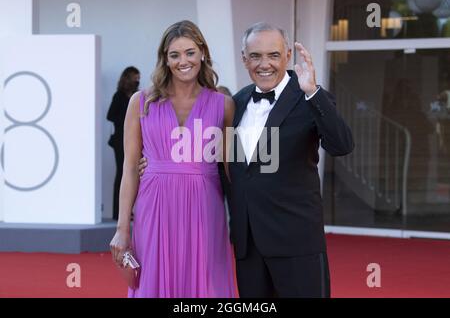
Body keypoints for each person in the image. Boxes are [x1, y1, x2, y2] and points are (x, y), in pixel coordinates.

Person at [139, 22, 354, 298]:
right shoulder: (234, 103)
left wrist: (313, 92)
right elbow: (213, 161)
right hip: (248, 247)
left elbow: (342, 145)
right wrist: (150, 164)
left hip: (295, 244)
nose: (264, 64)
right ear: (244, 60)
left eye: (273, 55)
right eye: (255, 56)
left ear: (287, 55)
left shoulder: (308, 97)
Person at [109, 20, 237, 298]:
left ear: (202, 53)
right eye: (174, 55)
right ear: (164, 59)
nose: (183, 61)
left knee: (205, 282)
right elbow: (130, 168)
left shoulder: (223, 104)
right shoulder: (141, 103)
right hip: (154, 205)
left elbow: (232, 171)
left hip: (205, 206)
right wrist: (122, 228)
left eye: (190, 52)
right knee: (153, 281)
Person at [107, 66, 141, 220]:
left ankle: (130, 211)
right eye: (135, 76)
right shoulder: (119, 96)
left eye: (138, 77)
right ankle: (118, 213)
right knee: (123, 173)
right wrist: (128, 121)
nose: (137, 79)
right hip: (120, 140)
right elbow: (110, 115)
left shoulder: (136, 96)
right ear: (127, 77)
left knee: (135, 173)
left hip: (133, 139)